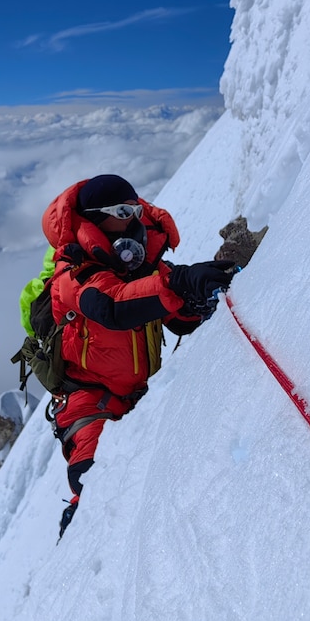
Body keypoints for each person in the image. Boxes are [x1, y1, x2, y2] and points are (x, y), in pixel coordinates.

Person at [38, 173, 236, 537]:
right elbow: (111, 305)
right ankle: (77, 537)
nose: (131, 217)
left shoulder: (138, 262)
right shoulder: (73, 272)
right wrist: (177, 283)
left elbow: (175, 318)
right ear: (95, 217)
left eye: (133, 207)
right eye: (120, 210)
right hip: (88, 399)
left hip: (140, 395)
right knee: (95, 482)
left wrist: (195, 298)